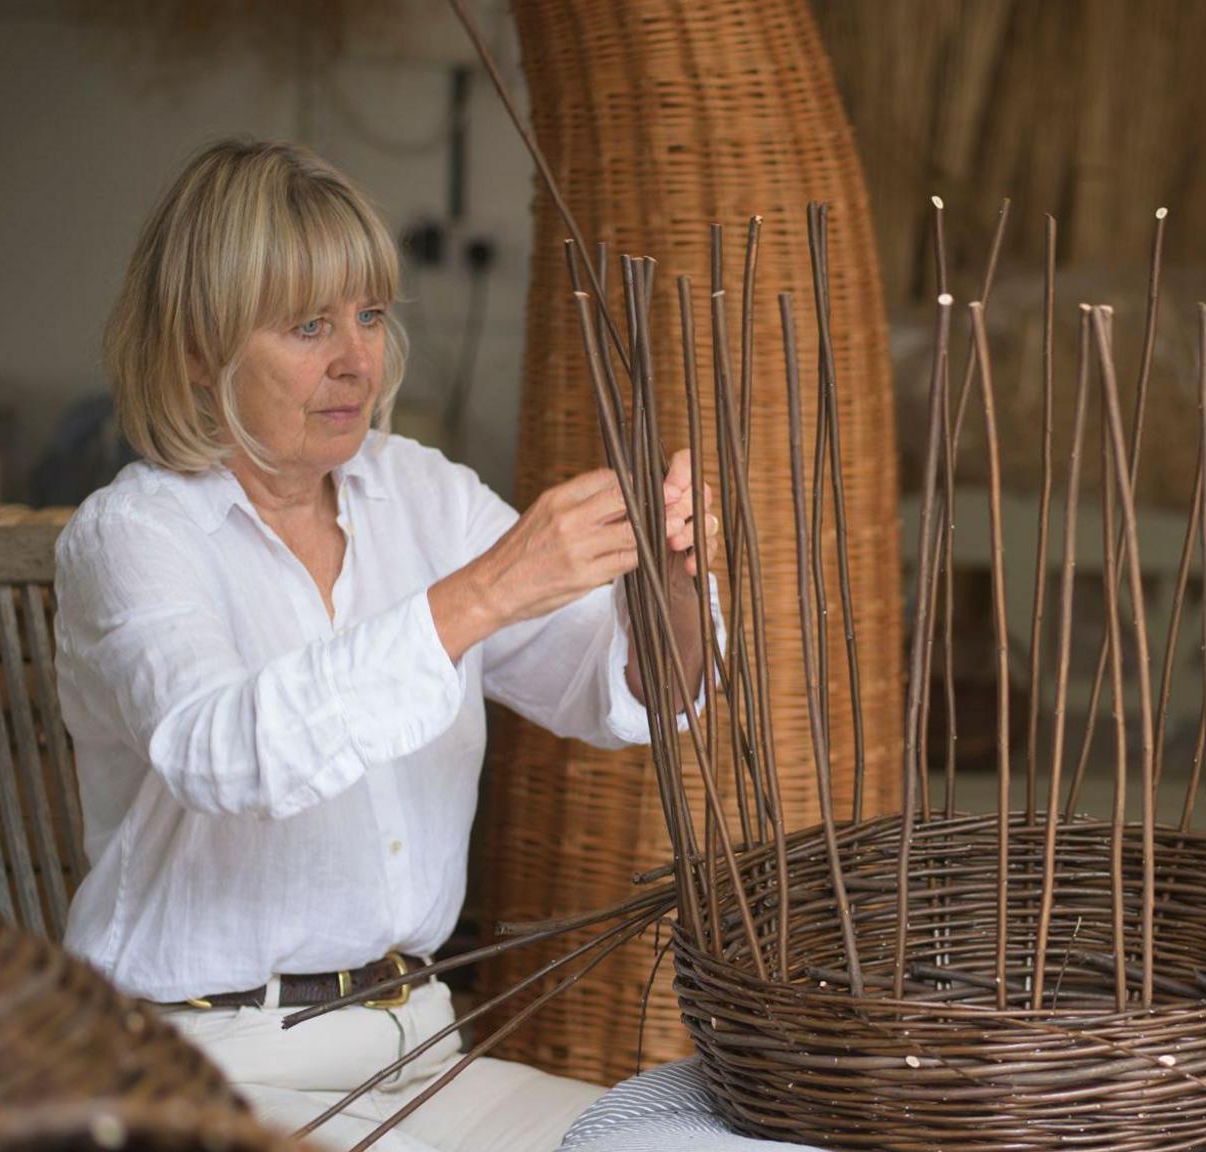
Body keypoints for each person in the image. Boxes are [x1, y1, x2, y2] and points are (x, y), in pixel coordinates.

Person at [55, 139, 715, 1152]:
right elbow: (222, 753)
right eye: (307, 324)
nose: (353, 360)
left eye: (368, 314)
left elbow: (625, 695)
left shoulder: (421, 494)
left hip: (414, 1057)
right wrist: (487, 590)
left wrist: (664, 578)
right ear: (198, 346)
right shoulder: (133, 536)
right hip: (198, 1067)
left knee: (703, 1143)